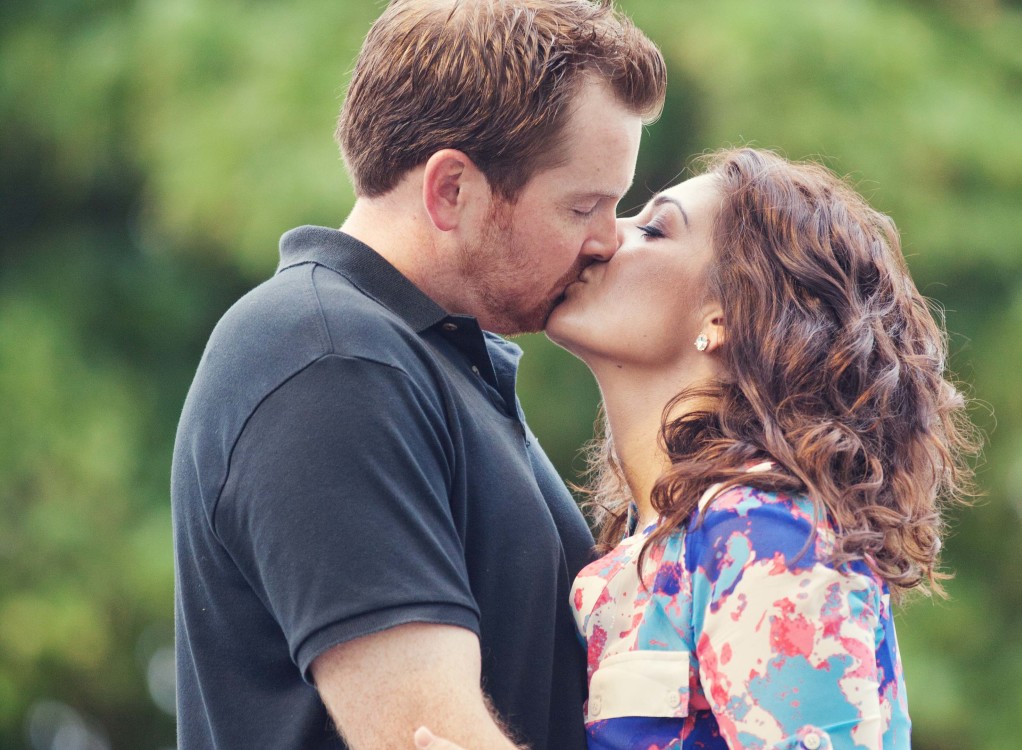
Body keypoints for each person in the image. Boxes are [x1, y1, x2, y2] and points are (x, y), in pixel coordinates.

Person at [169, 0, 665, 748]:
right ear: (450, 191)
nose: (608, 240)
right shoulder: (330, 360)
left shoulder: (425, 358)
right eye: (583, 206)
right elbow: (429, 736)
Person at [417, 148, 977, 750]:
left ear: (726, 315)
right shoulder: (652, 545)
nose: (605, 235)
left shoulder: (766, 531)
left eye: (654, 228)